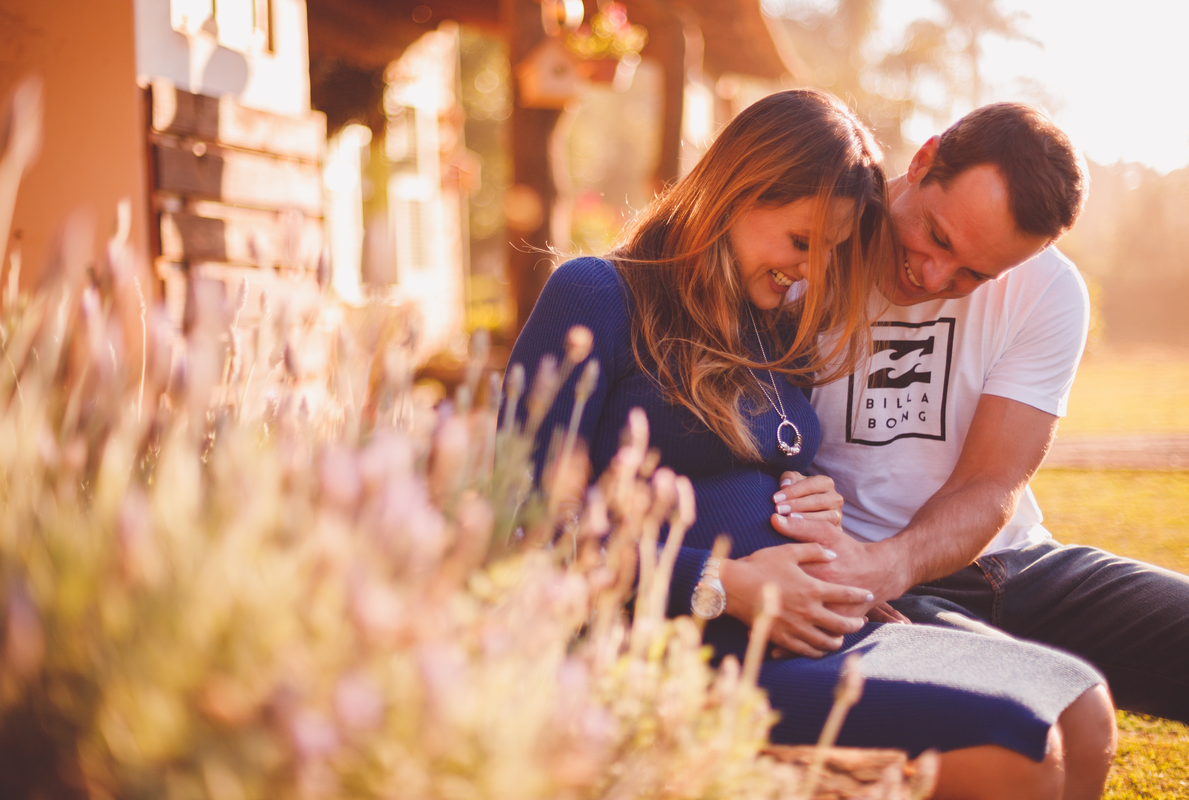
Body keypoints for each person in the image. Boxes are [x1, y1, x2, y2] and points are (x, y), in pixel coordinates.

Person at [505, 89, 1115, 800]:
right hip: (698, 649)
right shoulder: (596, 295)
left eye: (830, 251)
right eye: (803, 242)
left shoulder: (766, 329)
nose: (812, 271)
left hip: (819, 628)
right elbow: (524, 528)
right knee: (1020, 749)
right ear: (736, 190)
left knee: (1080, 706)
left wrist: (811, 498)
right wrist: (723, 584)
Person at [770, 102, 1189, 723]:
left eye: (974, 273)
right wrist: (861, 571)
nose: (934, 275)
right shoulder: (803, 257)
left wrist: (893, 563)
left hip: (1013, 562)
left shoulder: (1049, 290)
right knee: (1049, 712)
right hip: (858, 577)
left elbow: (991, 482)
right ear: (923, 160)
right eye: (937, 237)